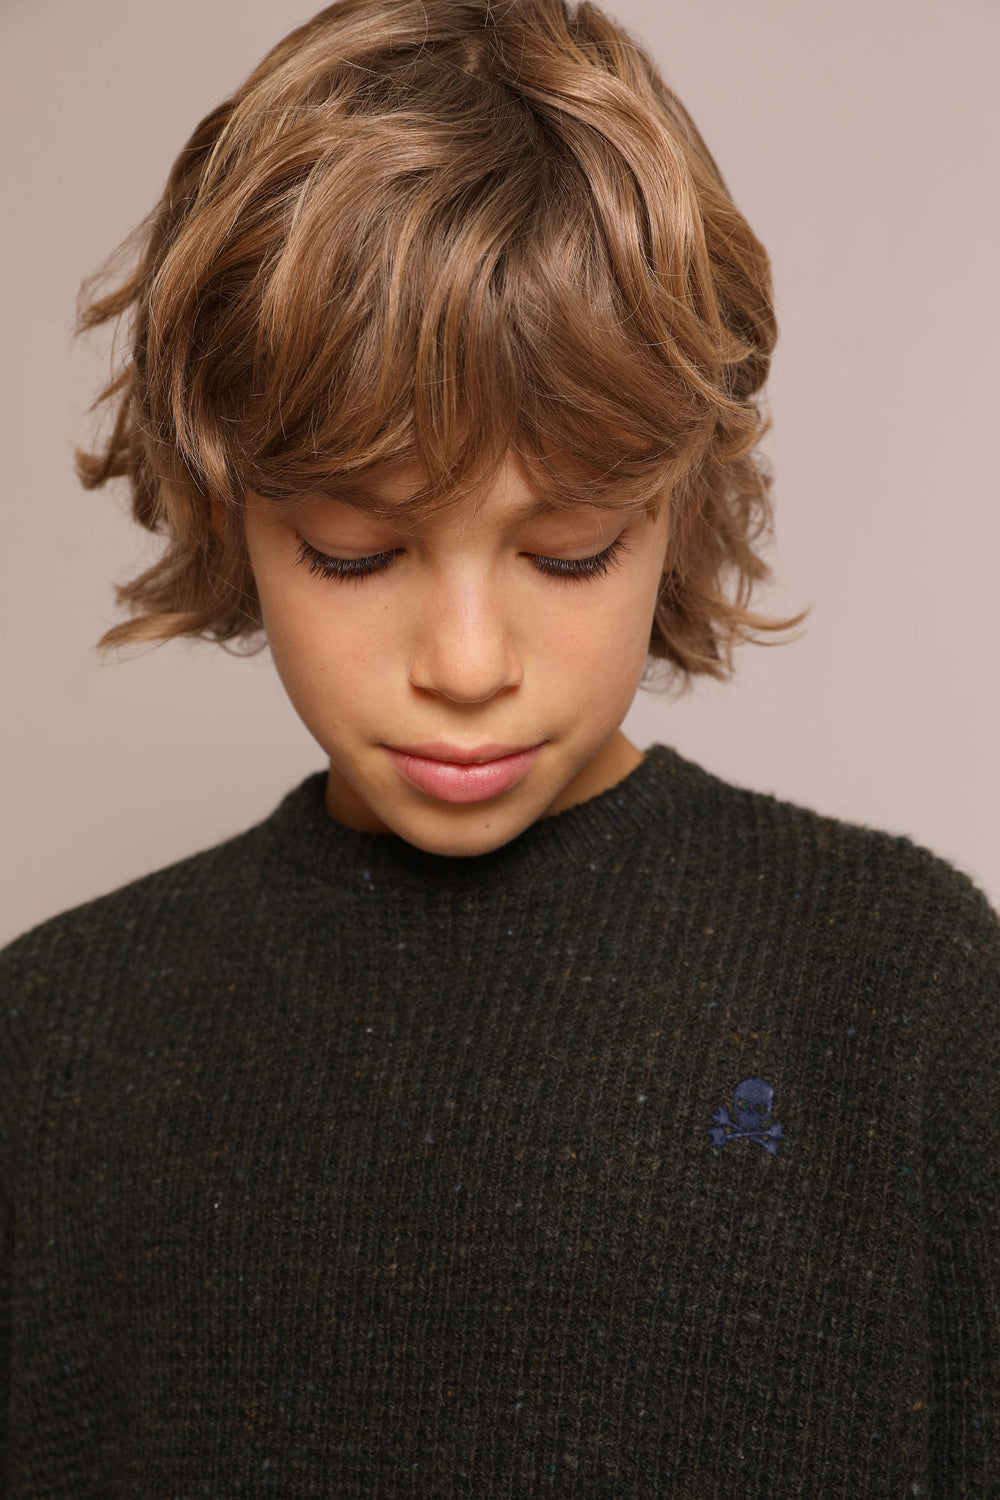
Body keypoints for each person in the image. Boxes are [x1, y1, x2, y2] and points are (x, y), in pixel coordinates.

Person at [1, 0, 997, 1491]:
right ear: (225, 505)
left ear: (679, 505)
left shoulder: (901, 990)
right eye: (354, 552)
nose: (467, 667)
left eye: (569, 549)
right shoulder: (52, 1047)